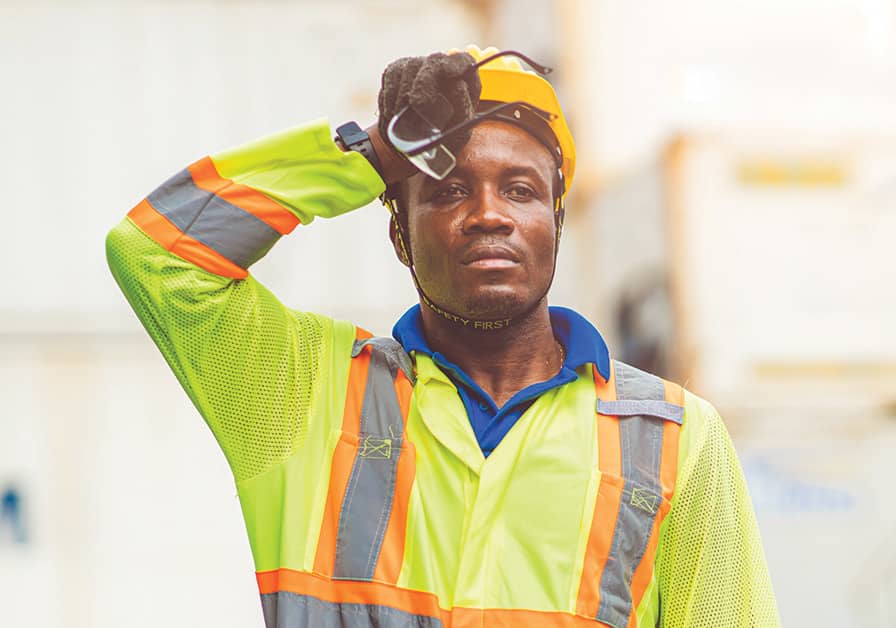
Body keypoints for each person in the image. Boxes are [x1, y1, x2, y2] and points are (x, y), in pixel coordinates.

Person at [107, 45, 779, 627]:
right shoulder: (305, 396)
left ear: (556, 223)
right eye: (449, 190)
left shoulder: (673, 440)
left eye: (520, 189)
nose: (489, 214)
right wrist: (371, 155)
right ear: (400, 233)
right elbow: (154, 252)